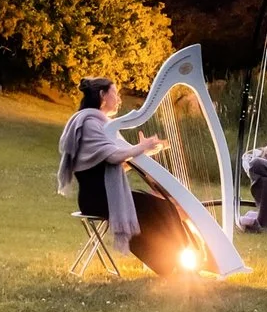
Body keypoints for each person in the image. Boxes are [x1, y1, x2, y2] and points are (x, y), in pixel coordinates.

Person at [57, 76, 196, 275]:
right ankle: (174, 264)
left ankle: (173, 262)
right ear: (103, 95)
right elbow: (113, 157)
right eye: (116, 94)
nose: (119, 99)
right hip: (97, 199)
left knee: (162, 206)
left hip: (105, 195)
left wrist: (146, 151)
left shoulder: (101, 124)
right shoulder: (89, 124)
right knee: (160, 208)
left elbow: (118, 165)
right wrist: (140, 147)